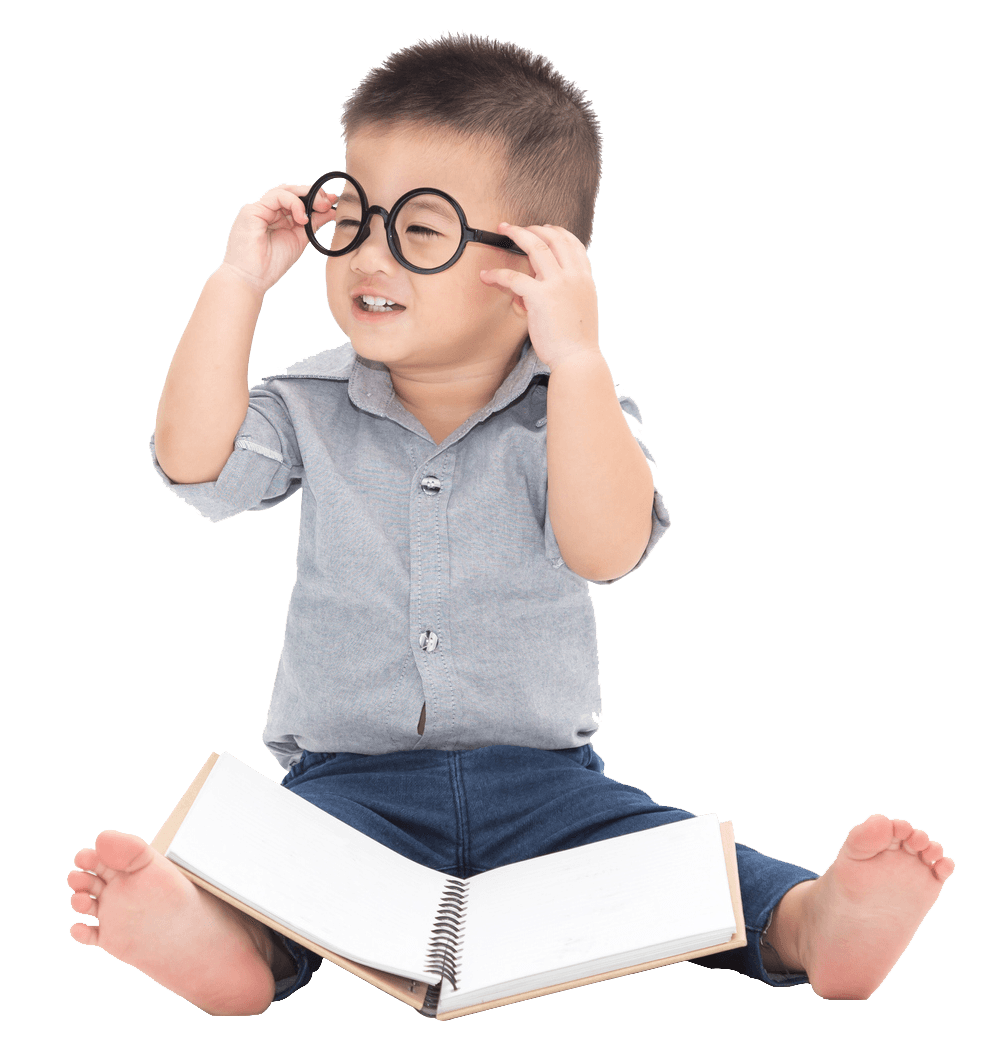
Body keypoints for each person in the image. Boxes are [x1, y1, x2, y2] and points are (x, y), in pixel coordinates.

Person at [67, 32, 954, 1017]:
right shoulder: (308, 403)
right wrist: (237, 282)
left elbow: (606, 547)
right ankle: (221, 947)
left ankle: (813, 921)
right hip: (346, 786)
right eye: (354, 216)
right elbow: (193, 460)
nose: (367, 253)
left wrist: (577, 360)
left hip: (550, 788)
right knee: (283, 874)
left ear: (534, 263)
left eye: (423, 229)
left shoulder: (573, 412)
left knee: (681, 864)